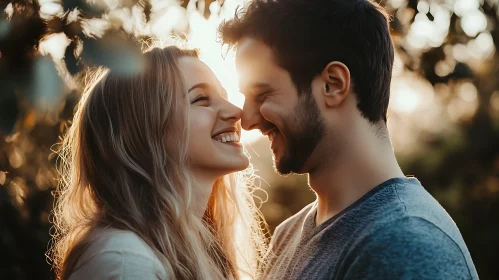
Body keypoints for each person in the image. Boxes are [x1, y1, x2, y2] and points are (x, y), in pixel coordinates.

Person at [219, 0, 479, 279]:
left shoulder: (405, 246)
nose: (246, 120)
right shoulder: (287, 235)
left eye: (262, 95)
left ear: (333, 84)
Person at [49, 46, 268, 280]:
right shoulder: (125, 260)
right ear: (142, 132)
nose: (236, 112)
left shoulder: (201, 253)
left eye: (223, 97)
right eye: (201, 99)